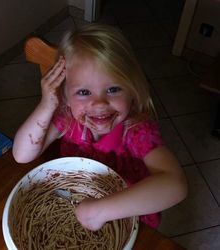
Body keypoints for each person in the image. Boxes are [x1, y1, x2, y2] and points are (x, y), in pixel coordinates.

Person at [12, 23, 188, 231]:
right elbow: (22, 155)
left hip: (124, 214)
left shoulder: (137, 131)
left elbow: (175, 185)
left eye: (113, 89)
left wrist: (99, 211)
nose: (100, 104)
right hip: (77, 200)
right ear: (66, 97)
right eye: (84, 92)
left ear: (132, 90)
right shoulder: (67, 118)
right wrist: (46, 105)